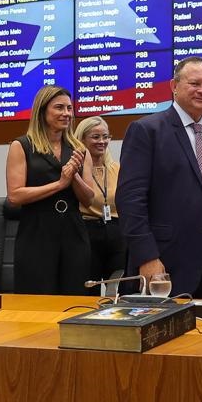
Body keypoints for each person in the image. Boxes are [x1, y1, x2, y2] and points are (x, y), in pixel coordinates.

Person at [117, 57, 202, 297]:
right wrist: (147, 256)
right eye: (195, 83)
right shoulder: (147, 131)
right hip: (165, 262)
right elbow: (130, 201)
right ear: (174, 86)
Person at [6, 86, 93, 294]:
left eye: (70, 108)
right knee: (36, 299)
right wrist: (59, 184)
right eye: (59, 108)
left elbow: (89, 199)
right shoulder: (22, 146)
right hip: (36, 232)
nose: (66, 113)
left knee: (74, 298)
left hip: (73, 231)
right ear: (42, 111)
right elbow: (15, 195)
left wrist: (74, 177)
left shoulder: (79, 149)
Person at [76, 115, 127, 285]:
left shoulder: (117, 169)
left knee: (118, 289)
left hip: (116, 232)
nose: (102, 141)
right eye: (96, 137)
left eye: (106, 137)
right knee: (89, 288)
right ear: (82, 139)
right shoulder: (76, 170)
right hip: (87, 232)